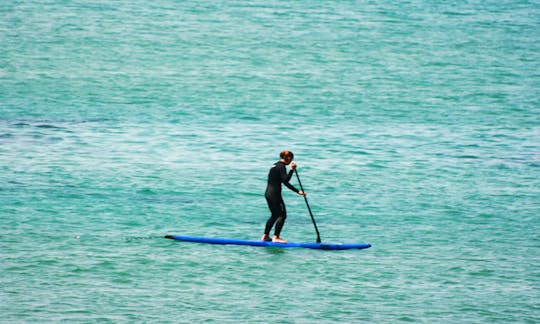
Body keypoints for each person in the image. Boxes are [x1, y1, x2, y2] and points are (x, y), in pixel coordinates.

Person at [261, 150, 306, 243]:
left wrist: (298, 191)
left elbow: (284, 182)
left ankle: (265, 236)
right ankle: (276, 237)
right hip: (275, 194)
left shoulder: (275, 165)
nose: (291, 161)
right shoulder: (281, 167)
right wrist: (292, 170)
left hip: (268, 193)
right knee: (282, 215)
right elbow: (286, 179)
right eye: (291, 158)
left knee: (274, 215)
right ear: (288, 158)